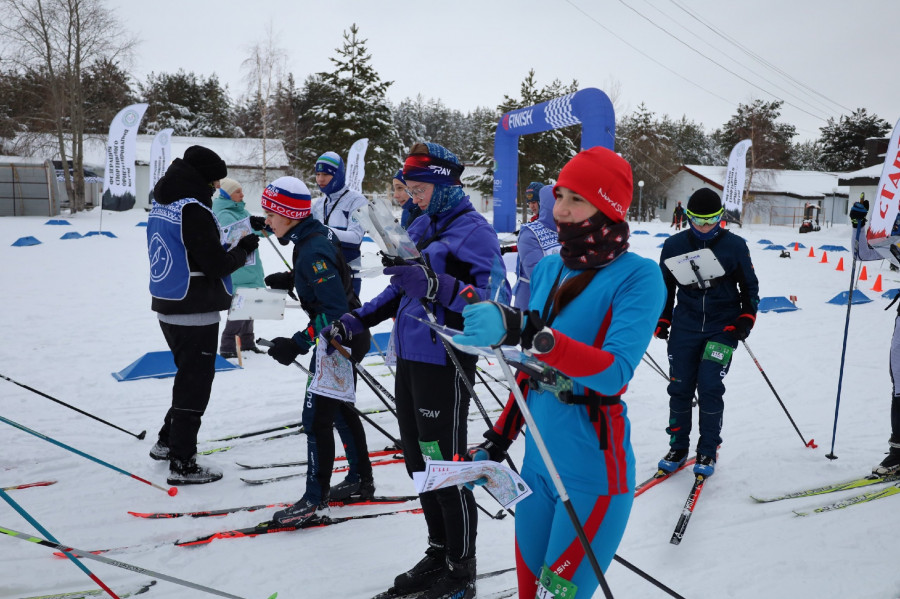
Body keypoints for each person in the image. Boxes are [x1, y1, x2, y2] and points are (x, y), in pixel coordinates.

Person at [453, 146, 665, 599]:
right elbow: (530, 370)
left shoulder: (639, 277)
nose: (561, 210)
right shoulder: (549, 267)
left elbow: (613, 373)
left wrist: (527, 329)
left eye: (576, 200)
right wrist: (496, 441)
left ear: (608, 208)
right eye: (559, 195)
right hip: (538, 466)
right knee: (530, 594)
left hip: (592, 473)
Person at [322, 142, 506, 599]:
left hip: (446, 361)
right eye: (410, 188)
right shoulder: (422, 224)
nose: (413, 196)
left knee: (446, 466)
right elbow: (403, 290)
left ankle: (461, 572)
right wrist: (357, 318)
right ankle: (439, 551)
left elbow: (494, 302)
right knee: (419, 463)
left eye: (421, 188)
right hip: (409, 358)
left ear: (445, 185)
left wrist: (434, 283)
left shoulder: (475, 233)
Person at [259, 176, 376, 524]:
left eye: (271, 213)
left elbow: (332, 310)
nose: (266, 220)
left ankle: (314, 502)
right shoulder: (312, 234)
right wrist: (295, 277)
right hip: (348, 334)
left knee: (316, 420)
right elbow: (330, 279)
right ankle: (359, 479)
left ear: (290, 214)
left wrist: (296, 343)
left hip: (339, 340)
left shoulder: (311, 248)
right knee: (338, 411)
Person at [146, 145, 260, 485]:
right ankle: (183, 462)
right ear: (203, 179)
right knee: (195, 385)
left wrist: (242, 227)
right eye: (213, 182)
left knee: (188, 377)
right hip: (194, 308)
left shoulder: (168, 200)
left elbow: (197, 244)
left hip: (169, 303)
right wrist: (243, 250)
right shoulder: (193, 209)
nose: (215, 188)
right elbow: (215, 264)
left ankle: (167, 442)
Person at [654, 187, 759, 477]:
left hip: (722, 327)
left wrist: (746, 318)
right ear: (687, 217)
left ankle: (708, 448)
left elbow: (750, 287)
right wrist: (662, 319)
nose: (703, 227)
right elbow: (666, 288)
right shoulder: (674, 245)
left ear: (720, 217)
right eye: (697, 220)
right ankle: (678, 446)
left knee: (710, 385)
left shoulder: (734, 246)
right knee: (680, 387)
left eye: (710, 220)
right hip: (685, 327)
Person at [848, 198, 900, 475]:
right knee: (899, 381)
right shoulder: (893, 235)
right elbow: (863, 254)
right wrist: (859, 225)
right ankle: (898, 451)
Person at [211, 177, 265, 358]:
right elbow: (235, 233)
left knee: (250, 306)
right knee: (240, 307)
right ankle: (228, 345)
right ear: (227, 195)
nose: (242, 194)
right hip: (238, 267)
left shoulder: (240, 210)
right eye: (237, 191)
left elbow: (253, 228)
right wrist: (252, 226)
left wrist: (268, 226)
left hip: (249, 266)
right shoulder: (224, 213)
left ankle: (247, 342)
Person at [312, 151, 368, 296]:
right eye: (317, 175)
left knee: (346, 319)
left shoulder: (356, 201)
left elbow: (356, 237)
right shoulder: (318, 204)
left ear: (337, 175)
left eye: (325, 174)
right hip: (321, 274)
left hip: (347, 278)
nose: (320, 179)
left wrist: (322, 230)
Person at [512, 184, 560, 309]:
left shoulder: (566, 230)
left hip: (556, 304)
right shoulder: (531, 232)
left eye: (535, 202)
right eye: (530, 202)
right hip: (531, 303)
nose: (531, 206)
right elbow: (537, 275)